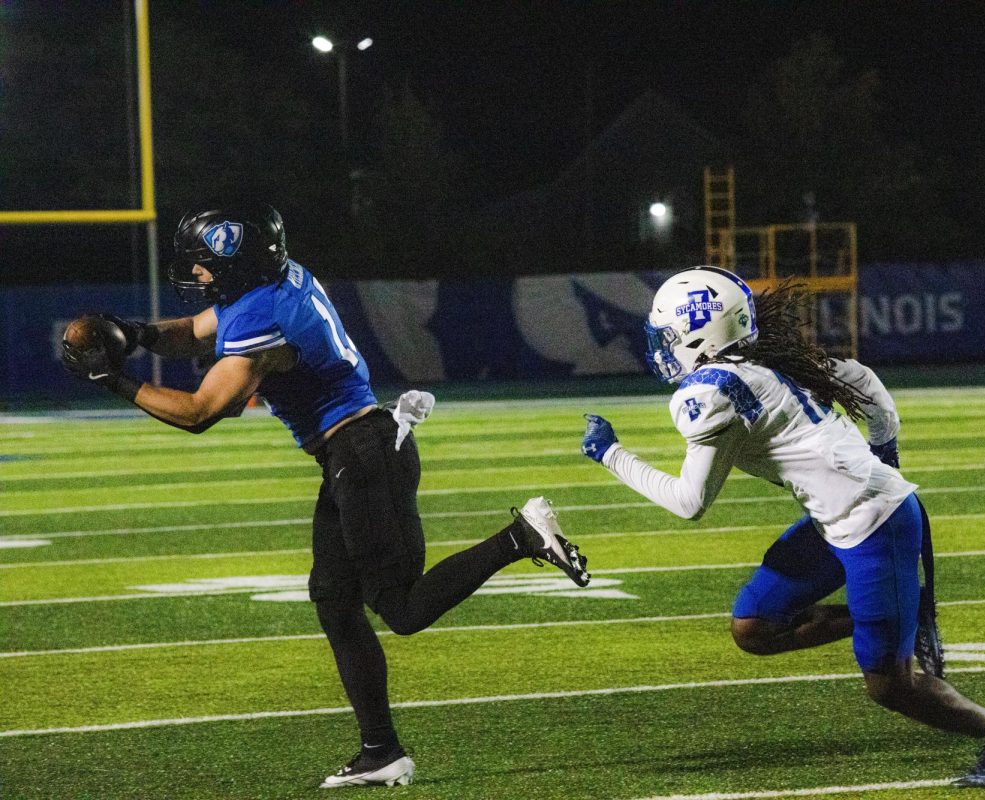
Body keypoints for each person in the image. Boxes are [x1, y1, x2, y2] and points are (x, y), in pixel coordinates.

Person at [60, 203, 591, 789]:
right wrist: (134, 334)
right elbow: (194, 332)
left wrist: (112, 379)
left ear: (235, 265)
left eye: (206, 265)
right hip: (361, 451)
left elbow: (199, 412)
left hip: (362, 457)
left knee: (401, 608)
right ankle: (381, 751)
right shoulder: (276, 282)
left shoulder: (262, 318)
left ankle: (522, 536)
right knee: (335, 599)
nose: (198, 275)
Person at [579, 266, 985, 788]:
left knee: (891, 687)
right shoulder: (759, 361)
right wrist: (885, 448)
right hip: (834, 520)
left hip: (877, 525)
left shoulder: (711, 394)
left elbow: (689, 502)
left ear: (696, 333)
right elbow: (862, 379)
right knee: (753, 627)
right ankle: (897, 621)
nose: (661, 347)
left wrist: (611, 454)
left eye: (666, 335)